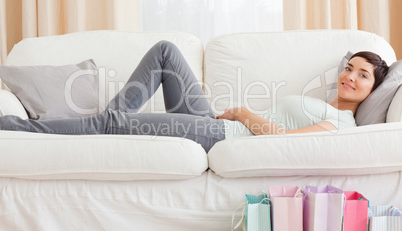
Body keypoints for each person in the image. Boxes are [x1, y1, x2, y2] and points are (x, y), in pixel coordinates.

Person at [0, 41, 389, 152]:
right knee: (165, 52)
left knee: (113, 122)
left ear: (374, 87)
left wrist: (240, 113)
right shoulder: (325, 103)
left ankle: (16, 127)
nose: (351, 76)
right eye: (349, 67)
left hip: (221, 134)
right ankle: (104, 124)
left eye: (363, 74)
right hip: (213, 122)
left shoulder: (341, 125)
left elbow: (281, 142)